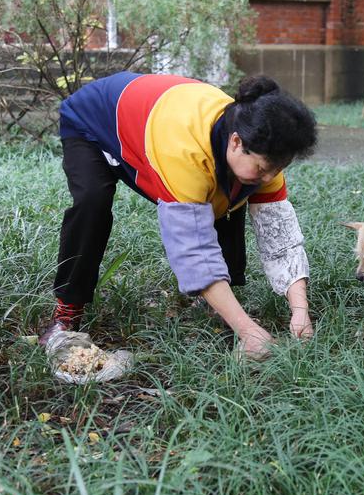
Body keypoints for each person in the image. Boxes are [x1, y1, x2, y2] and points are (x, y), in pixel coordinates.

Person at [38, 71, 318, 359]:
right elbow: (193, 250)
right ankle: (67, 309)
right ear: (235, 142)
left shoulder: (262, 150)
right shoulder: (184, 152)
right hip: (94, 120)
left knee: (230, 194)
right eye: (262, 168)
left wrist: (300, 311)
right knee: (92, 202)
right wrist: (247, 331)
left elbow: (280, 236)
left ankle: (217, 302)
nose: (269, 177)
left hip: (156, 120)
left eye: (277, 169)